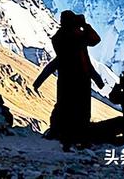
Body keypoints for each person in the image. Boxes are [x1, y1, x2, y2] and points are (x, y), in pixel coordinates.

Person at [50, 11, 101, 149]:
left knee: (67, 107)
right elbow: (95, 40)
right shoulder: (75, 37)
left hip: (67, 78)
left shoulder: (59, 37)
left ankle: (68, 137)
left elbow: (94, 40)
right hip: (79, 78)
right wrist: (85, 26)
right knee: (80, 109)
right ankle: (77, 138)